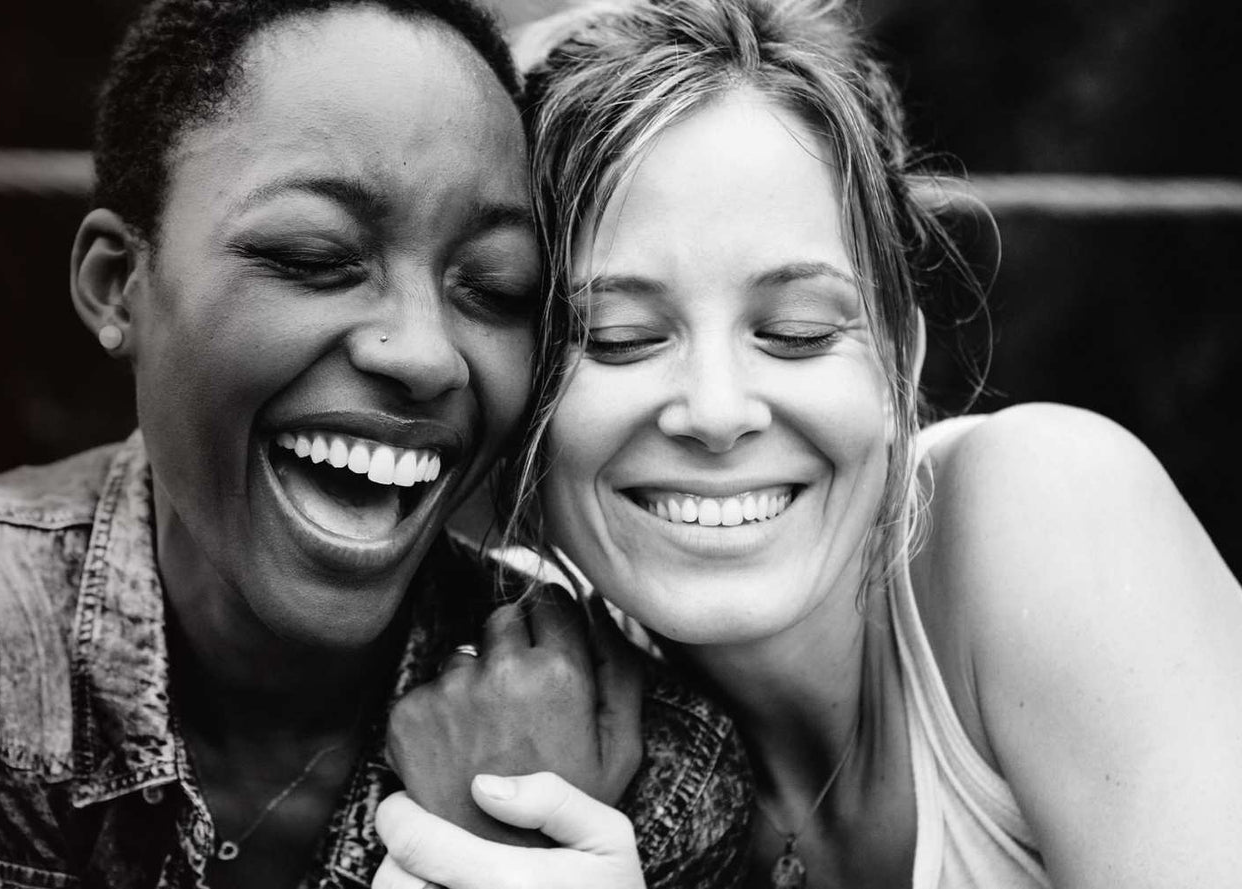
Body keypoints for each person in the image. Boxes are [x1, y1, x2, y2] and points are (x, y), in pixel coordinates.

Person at [0, 1, 752, 887]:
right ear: (117, 285)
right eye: (314, 256)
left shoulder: (637, 768)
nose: (425, 353)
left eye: (496, 287)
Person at [370, 0, 1242, 886]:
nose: (716, 410)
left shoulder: (1050, 506)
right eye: (620, 338)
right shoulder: (543, 702)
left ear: (900, 358)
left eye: (796, 333)